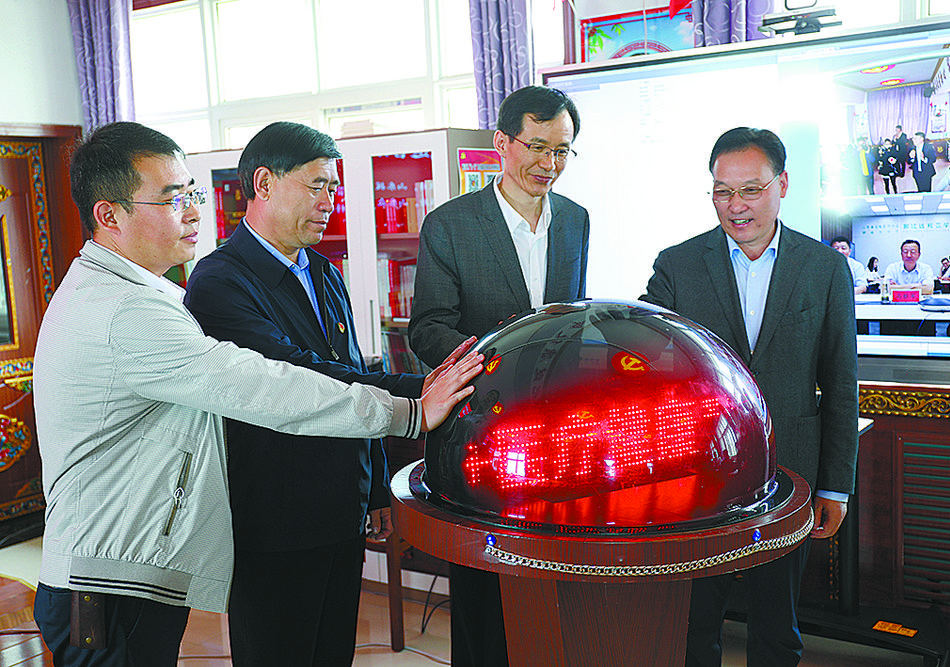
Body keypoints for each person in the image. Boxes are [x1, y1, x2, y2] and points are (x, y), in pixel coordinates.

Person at [31, 121, 483, 667]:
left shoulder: (140, 293)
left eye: (194, 195)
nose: (194, 214)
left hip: (125, 567)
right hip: (108, 579)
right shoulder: (127, 311)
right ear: (110, 215)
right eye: (174, 199)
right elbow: (268, 384)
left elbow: (334, 369)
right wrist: (410, 411)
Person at [182, 122, 476, 666]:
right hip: (273, 517)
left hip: (341, 505)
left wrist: (374, 489)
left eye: (334, 187)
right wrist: (421, 393)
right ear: (264, 184)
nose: (329, 202)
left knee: (333, 651)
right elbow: (301, 375)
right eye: (316, 185)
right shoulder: (218, 281)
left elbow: (352, 373)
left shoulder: (323, 270)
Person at [640, 127, 858, 667]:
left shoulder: (824, 268)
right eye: (722, 191)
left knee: (777, 628)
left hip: (791, 473)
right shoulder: (677, 265)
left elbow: (840, 382)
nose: (735, 206)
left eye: (751, 190)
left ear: (782, 185)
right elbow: (650, 369)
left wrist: (836, 486)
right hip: (698, 477)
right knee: (692, 626)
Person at [408, 84, 589, 667]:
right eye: (537, 147)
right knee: (484, 596)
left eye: (561, 151)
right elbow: (428, 329)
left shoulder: (575, 220)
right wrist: (499, 367)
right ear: (502, 143)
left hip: (556, 435)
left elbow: (571, 317)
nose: (549, 164)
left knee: (552, 588)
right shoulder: (451, 224)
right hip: (481, 431)